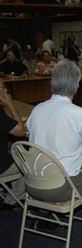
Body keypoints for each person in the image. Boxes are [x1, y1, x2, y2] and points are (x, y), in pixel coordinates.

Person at [26, 59, 82, 248]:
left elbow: (44, 139)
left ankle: (45, 219)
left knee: (52, 162)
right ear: (77, 84)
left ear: (52, 82)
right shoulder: (80, 114)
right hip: (62, 187)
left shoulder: (36, 109)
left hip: (33, 184)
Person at [0, 80, 26, 209]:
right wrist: (10, 104)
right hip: (2, 166)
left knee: (16, 155)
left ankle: (13, 194)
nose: (6, 91)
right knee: (32, 166)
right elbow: (21, 132)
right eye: (3, 88)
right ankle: (11, 200)